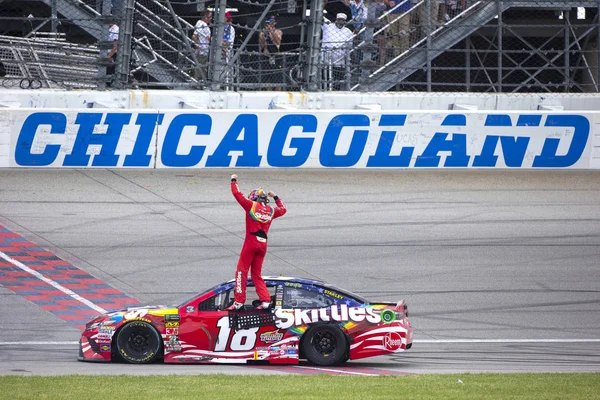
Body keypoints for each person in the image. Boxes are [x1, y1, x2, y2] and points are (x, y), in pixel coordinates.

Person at [227, 174, 287, 311]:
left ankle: (239, 301)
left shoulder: (251, 206)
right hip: (263, 245)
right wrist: (276, 197)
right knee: (256, 274)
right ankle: (265, 300)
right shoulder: (271, 211)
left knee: (241, 272)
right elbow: (283, 210)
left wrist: (234, 180)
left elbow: (236, 193)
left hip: (251, 243)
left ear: (253, 198)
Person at [321, 13, 354, 90]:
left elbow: (349, 46)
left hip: (339, 62)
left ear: (345, 21)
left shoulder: (348, 32)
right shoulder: (328, 26)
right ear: (336, 20)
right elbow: (320, 16)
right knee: (324, 80)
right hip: (325, 59)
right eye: (339, 20)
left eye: (342, 20)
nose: (340, 22)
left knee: (337, 83)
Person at [258, 16, 283, 90]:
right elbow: (261, 45)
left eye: (272, 23)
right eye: (269, 23)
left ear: (275, 23)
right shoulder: (263, 32)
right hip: (266, 56)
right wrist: (264, 35)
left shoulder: (278, 31)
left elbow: (278, 40)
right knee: (266, 78)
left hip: (275, 55)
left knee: (277, 78)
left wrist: (271, 31)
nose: (270, 24)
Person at [192, 10, 212, 80]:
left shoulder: (205, 25)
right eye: (210, 17)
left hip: (204, 51)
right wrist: (197, 46)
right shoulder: (201, 24)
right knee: (199, 70)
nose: (211, 18)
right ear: (205, 17)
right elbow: (195, 36)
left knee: (202, 70)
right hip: (201, 51)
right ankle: (196, 84)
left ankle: (199, 83)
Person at [221, 11, 236, 85]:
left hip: (227, 52)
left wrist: (221, 43)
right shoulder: (219, 27)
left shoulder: (231, 29)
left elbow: (228, 43)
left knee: (227, 71)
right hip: (219, 52)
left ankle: (227, 84)